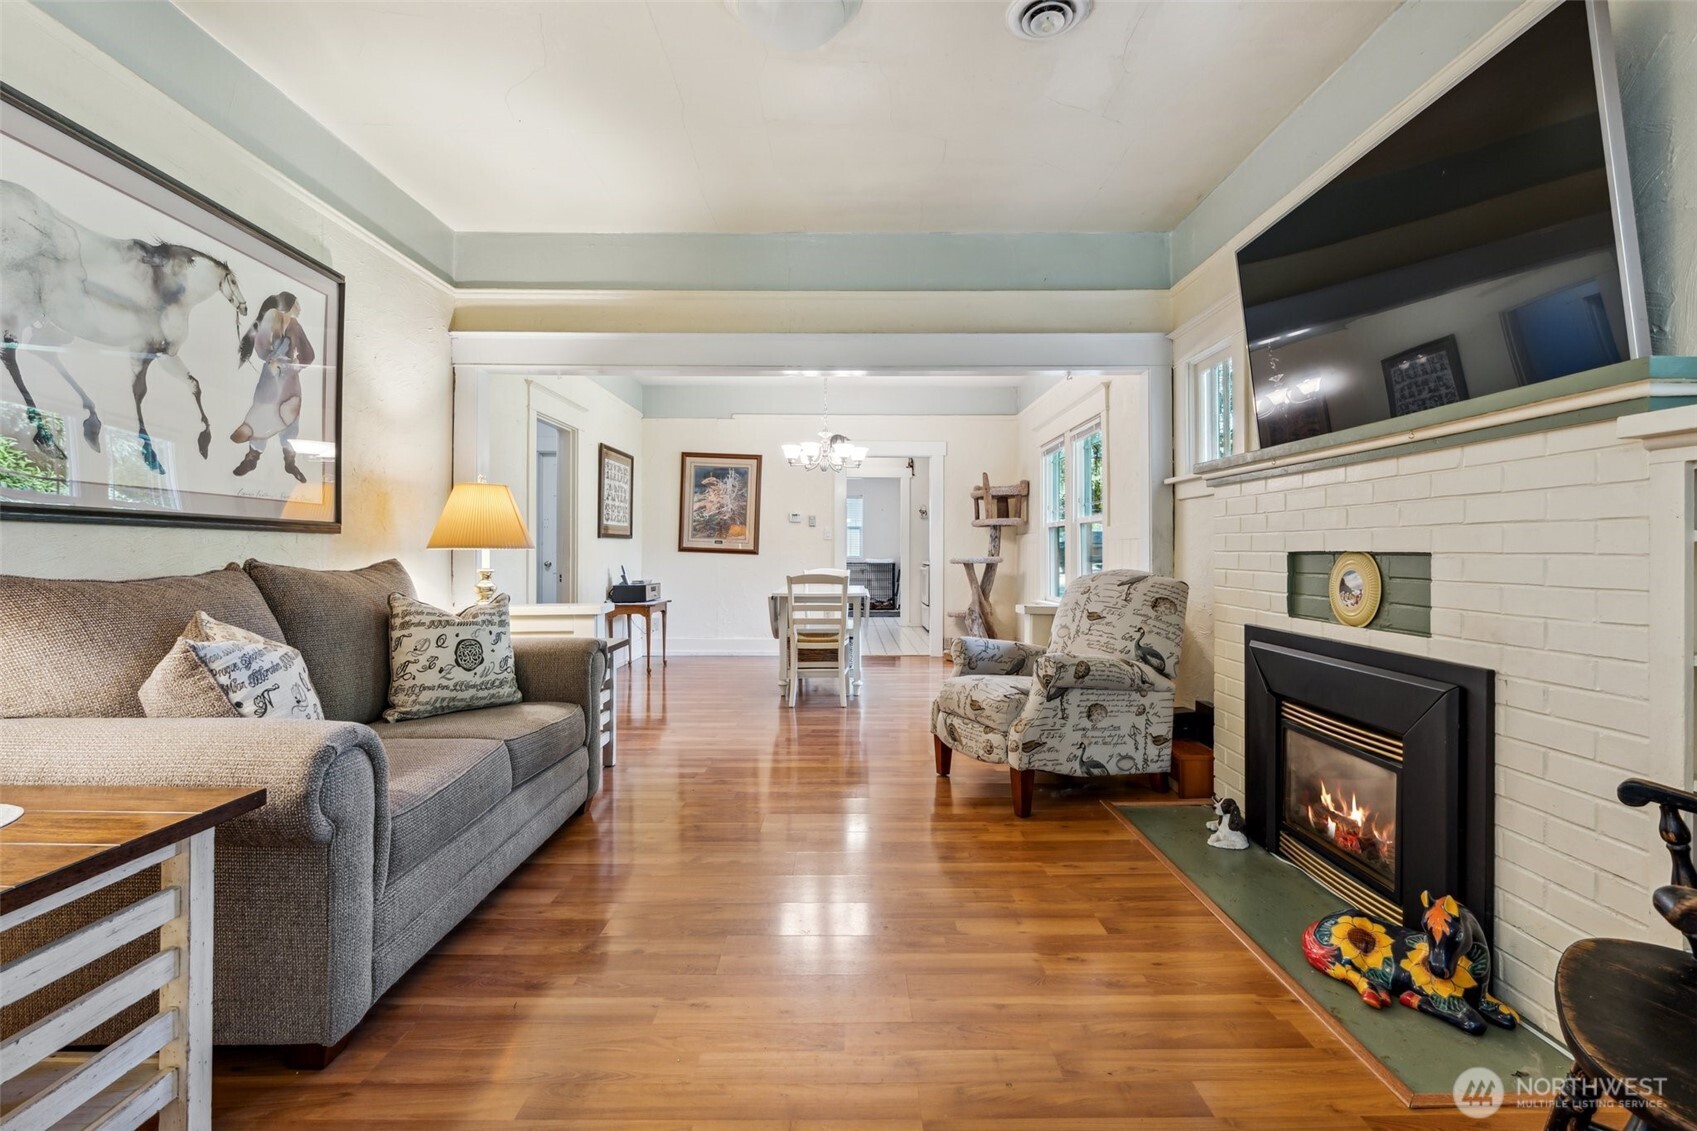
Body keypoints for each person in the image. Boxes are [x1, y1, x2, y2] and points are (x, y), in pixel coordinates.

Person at [232, 291, 315, 482]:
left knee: (290, 419)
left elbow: (309, 354)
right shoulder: (271, 320)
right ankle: (252, 458)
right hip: (270, 377)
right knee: (261, 415)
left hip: (290, 382)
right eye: (297, 304)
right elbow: (261, 346)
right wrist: (272, 359)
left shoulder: (295, 326)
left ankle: (290, 462)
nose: (300, 308)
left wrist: (296, 365)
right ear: (288, 305)